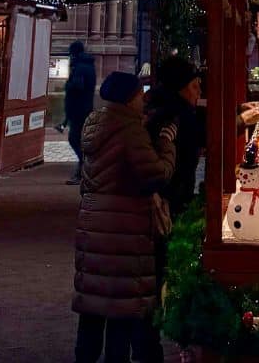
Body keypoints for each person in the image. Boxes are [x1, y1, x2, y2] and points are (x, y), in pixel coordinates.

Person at [73, 72, 175, 363]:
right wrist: (168, 146)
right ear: (130, 98)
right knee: (120, 311)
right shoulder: (130, 130)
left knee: (92, 307)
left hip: (93, 225)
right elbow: (156, 174)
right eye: (140, 94)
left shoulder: (94, 123)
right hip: (124, 230)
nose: (143, 100)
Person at [135, 57, 204, 363]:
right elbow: (166, 168)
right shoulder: (175, 119)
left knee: (149, 277)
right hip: (165, 206)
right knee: (160, 274)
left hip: (156, 205)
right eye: (193, 85)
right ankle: (150, 346)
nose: (198, 91)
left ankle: (145, 345)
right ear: (180, 88)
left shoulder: (156, 110)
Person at [63, 39, 96, 183]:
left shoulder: (80, 67)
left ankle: (84, 169)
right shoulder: (89, 66)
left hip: (79, 109)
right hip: (84, 107)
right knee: (79, 138)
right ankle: (83, 168)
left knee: (75, 139)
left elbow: (77, 86)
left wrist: (68, 85)